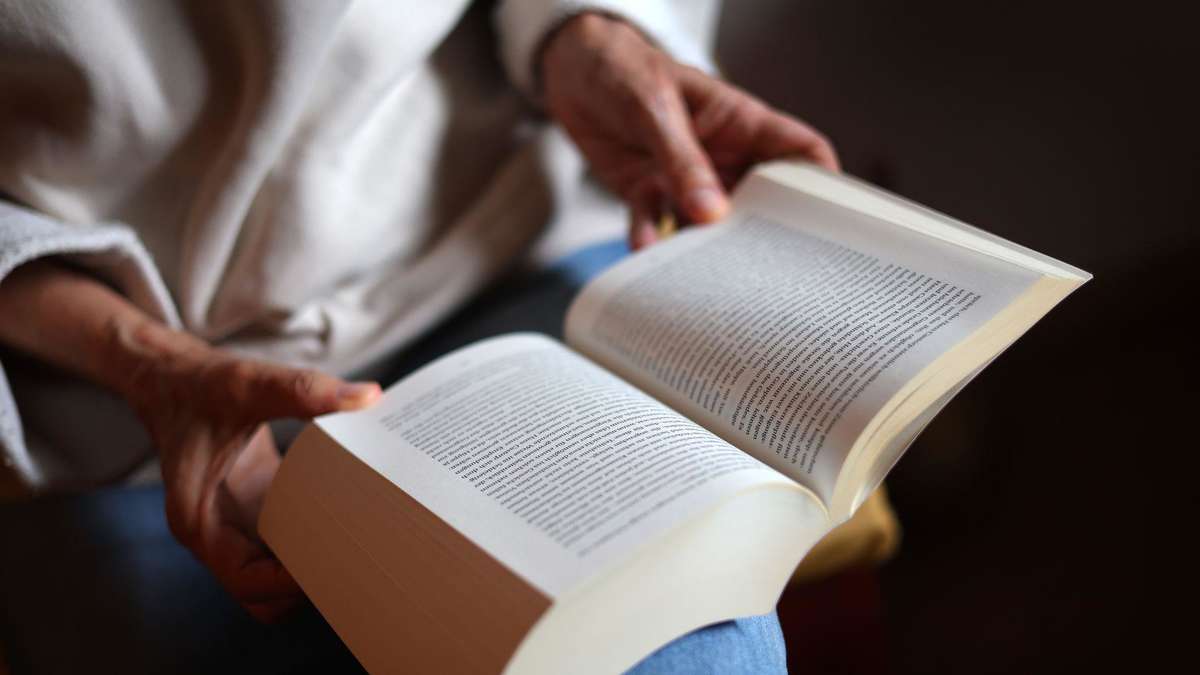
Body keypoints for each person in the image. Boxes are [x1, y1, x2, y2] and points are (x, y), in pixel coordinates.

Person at [0, 0, 836, 670]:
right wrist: (149, 367)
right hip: (118, 394)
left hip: (495, 245)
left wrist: (583, 30)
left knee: (683, 643)